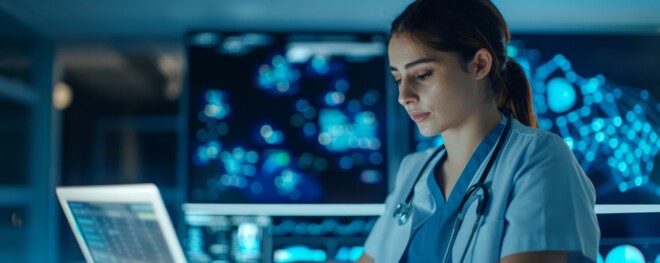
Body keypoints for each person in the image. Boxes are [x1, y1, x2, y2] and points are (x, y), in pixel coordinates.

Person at [357, 0, 600, 262]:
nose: (403, 96)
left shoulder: (539, 157)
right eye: (398, 78)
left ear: (480, 65)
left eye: (423, 74)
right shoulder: (413, 170)